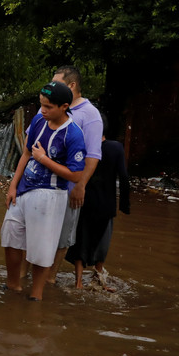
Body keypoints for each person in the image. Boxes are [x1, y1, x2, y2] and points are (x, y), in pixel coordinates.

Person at [1, 81, 86, 301]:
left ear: (64, 106)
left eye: (48, 107)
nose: (43, 110)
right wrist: (12, 186)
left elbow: (75, 175)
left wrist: (45, 160)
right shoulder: (40, 119)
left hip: (51, 194)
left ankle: (36, 296)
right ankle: (13, 286)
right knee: (10, 236)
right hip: (24, 189)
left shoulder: (73, 134)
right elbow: (27, 153)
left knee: (41, 247)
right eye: (41, 105)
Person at [49, 65, 104, 279]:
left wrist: (80, 186)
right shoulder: (49, 106)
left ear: (72, 85)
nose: (52, 88)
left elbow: (92, 155)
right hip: (41, 185)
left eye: (57, 84)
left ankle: (50, 279)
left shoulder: (89, 115)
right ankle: (28, 279)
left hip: (69, 187)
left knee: (62, 237)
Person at [65, 115, 130, 288]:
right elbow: (123, 176)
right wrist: (125, 204)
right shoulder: (115, 147)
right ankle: (99, 279)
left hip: (82, 201)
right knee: (102, 242)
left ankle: (78, 282)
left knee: (80, 240)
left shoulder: (83, 148)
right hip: (105, 204)